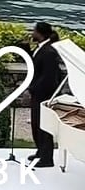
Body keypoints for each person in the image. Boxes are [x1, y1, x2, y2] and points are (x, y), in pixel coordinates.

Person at [28, 21, 64, 169]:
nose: (32, 34)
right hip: (38, 93)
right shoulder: (42, 48)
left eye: (34, 31)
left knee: (43, 126)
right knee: (36, 124)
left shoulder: (49, 51)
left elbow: (49, 76)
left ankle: (47, 157)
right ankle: (40, 152)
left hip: (44, 94)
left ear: (40, 33)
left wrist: (34, 89)